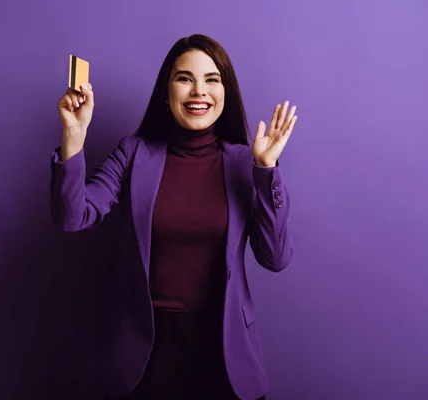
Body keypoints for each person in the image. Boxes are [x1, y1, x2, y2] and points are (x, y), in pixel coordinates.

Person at [50, 34, 297, 400]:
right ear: (167, 91)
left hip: (224, 346)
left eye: (212, 80)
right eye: (185, 78)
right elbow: (73, 216)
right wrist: (74, 135)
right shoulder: (134, 153)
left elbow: (275, 258)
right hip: (146, 349)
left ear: (225, 92)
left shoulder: (245, 161)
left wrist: (266, 168)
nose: (199, 91)